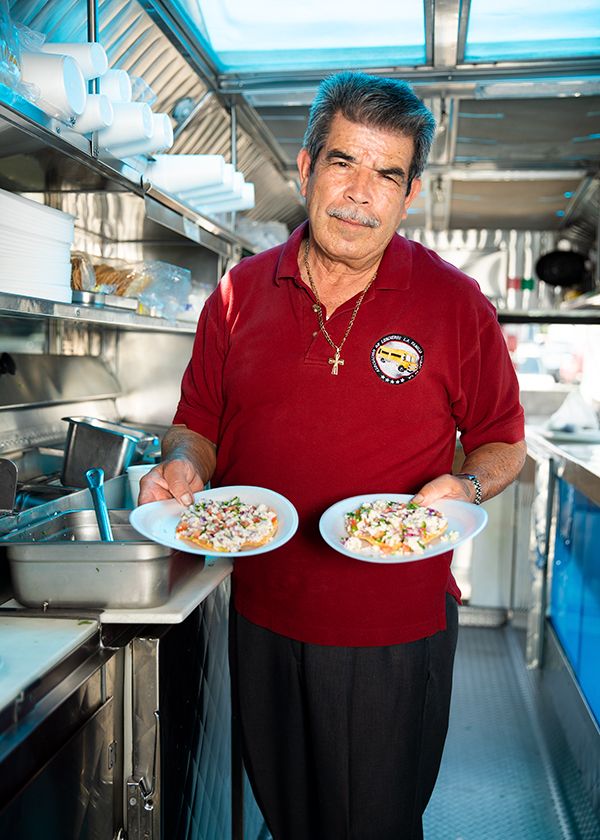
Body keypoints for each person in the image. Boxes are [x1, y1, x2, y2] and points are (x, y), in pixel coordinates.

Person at [139, 71, 526, 840]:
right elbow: (196, 425)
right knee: (288, 819)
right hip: (263, 615)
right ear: (307, 166)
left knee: (375, 824)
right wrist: (183, 463)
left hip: (395, 627)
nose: (359, 195)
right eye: (344, 162)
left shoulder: (454, 303)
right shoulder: (238, 295)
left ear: (409, 194)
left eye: (387, 174)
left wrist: (468, 486)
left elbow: (503, 443)